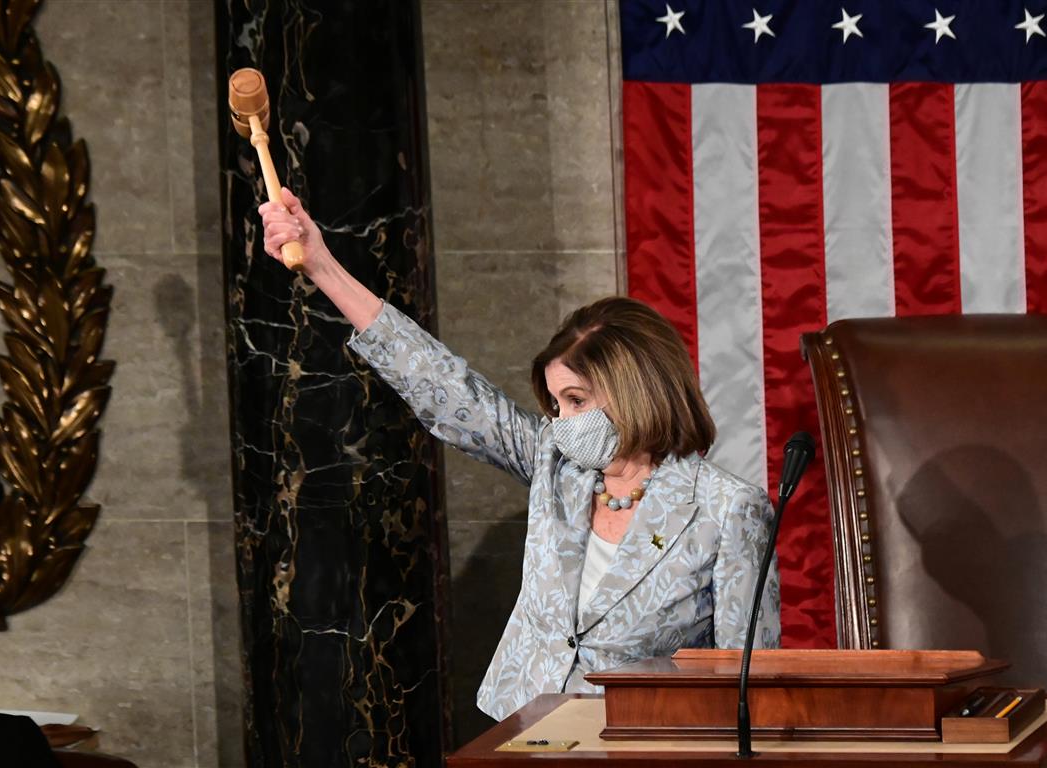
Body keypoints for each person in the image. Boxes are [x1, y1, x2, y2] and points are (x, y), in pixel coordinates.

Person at [259, 189, 780, 721]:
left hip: (642, 741)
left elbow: (749, 677)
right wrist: (321, 265)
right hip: (523, 726)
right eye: (555, 404)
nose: (561, 422)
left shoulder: (728, 509)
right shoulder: (556, 464)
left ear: (635, 389)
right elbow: (443, 385)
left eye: (575, 400)